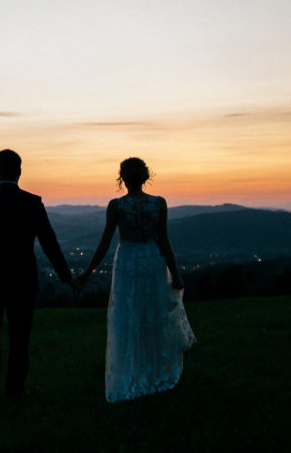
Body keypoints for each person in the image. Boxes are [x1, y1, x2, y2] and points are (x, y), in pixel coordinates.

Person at [76, 157, 196, 402]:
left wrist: (87, 272)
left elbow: (105, 242)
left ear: (122, 177)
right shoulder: (158, 203)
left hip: (128, 262)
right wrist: (176, 273)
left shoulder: (117, 206)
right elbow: (164, 240)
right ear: (145, 176)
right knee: (153, 314)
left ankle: (131, 369)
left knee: (129, 314)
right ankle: (154, 370)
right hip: (152, 260)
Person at [0, 149, 75, 398]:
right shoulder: (32, 202)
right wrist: (66, 276)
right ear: (20, 171)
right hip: (22, 277)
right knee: (20, 334)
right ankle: (15, 386)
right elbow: (49, 242)